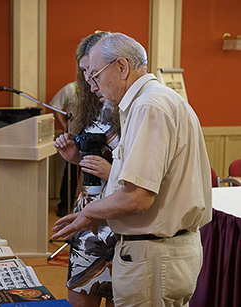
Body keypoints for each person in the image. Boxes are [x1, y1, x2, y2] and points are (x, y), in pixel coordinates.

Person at [52, 32, 212, 307]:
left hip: (153, 254)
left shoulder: (148, 106)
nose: (92, 87)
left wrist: (88, 214)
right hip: (158, 252)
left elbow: (137, 197)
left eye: (95, 76)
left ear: (122, 67)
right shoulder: (152, 101)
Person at [53, 31, 120, 307]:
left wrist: (111, 171)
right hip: (88, 213)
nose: (89, 80)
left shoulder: (131, 107)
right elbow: (90, 160)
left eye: (92, 72)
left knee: (119, 296)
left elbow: (143, 169)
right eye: (83, 72)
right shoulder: (91, 107)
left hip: (119, 216)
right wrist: (74, 157)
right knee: (80, 295)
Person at [49, 81, 79, 217]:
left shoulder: (97, 87)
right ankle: (65, 205)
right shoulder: (70, 88)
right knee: (71, 174)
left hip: (94, 135)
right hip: (74, 136)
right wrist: (63, 126)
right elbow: (55, 105)